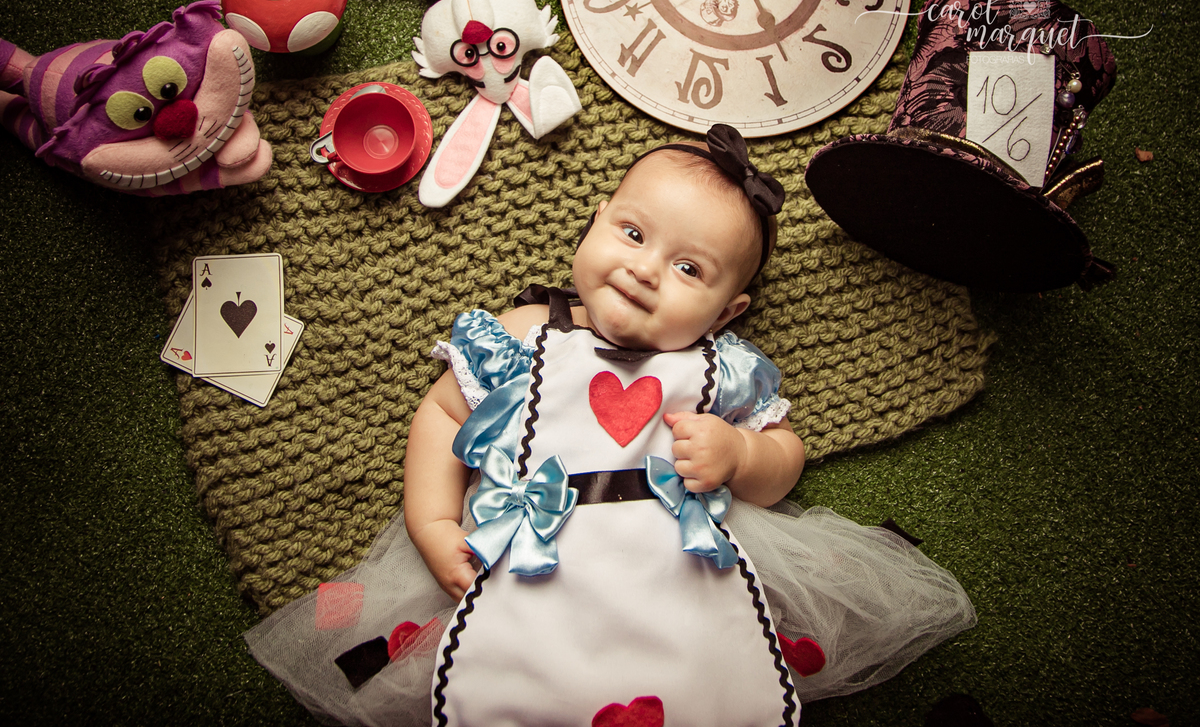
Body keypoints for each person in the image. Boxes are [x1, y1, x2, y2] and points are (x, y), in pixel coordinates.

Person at [245, 125, 977, 727]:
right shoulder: (526, 331)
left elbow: (787, 457)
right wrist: (435, 523)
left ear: (728, 313)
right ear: (595, 220)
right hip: (532, 559)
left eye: (691, 270)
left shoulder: (720, 368)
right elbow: (442, 414)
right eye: (632, 232)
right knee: (512, 680)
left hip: (679, 573)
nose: (647, 269)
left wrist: (741, 451)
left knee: (701, 685)